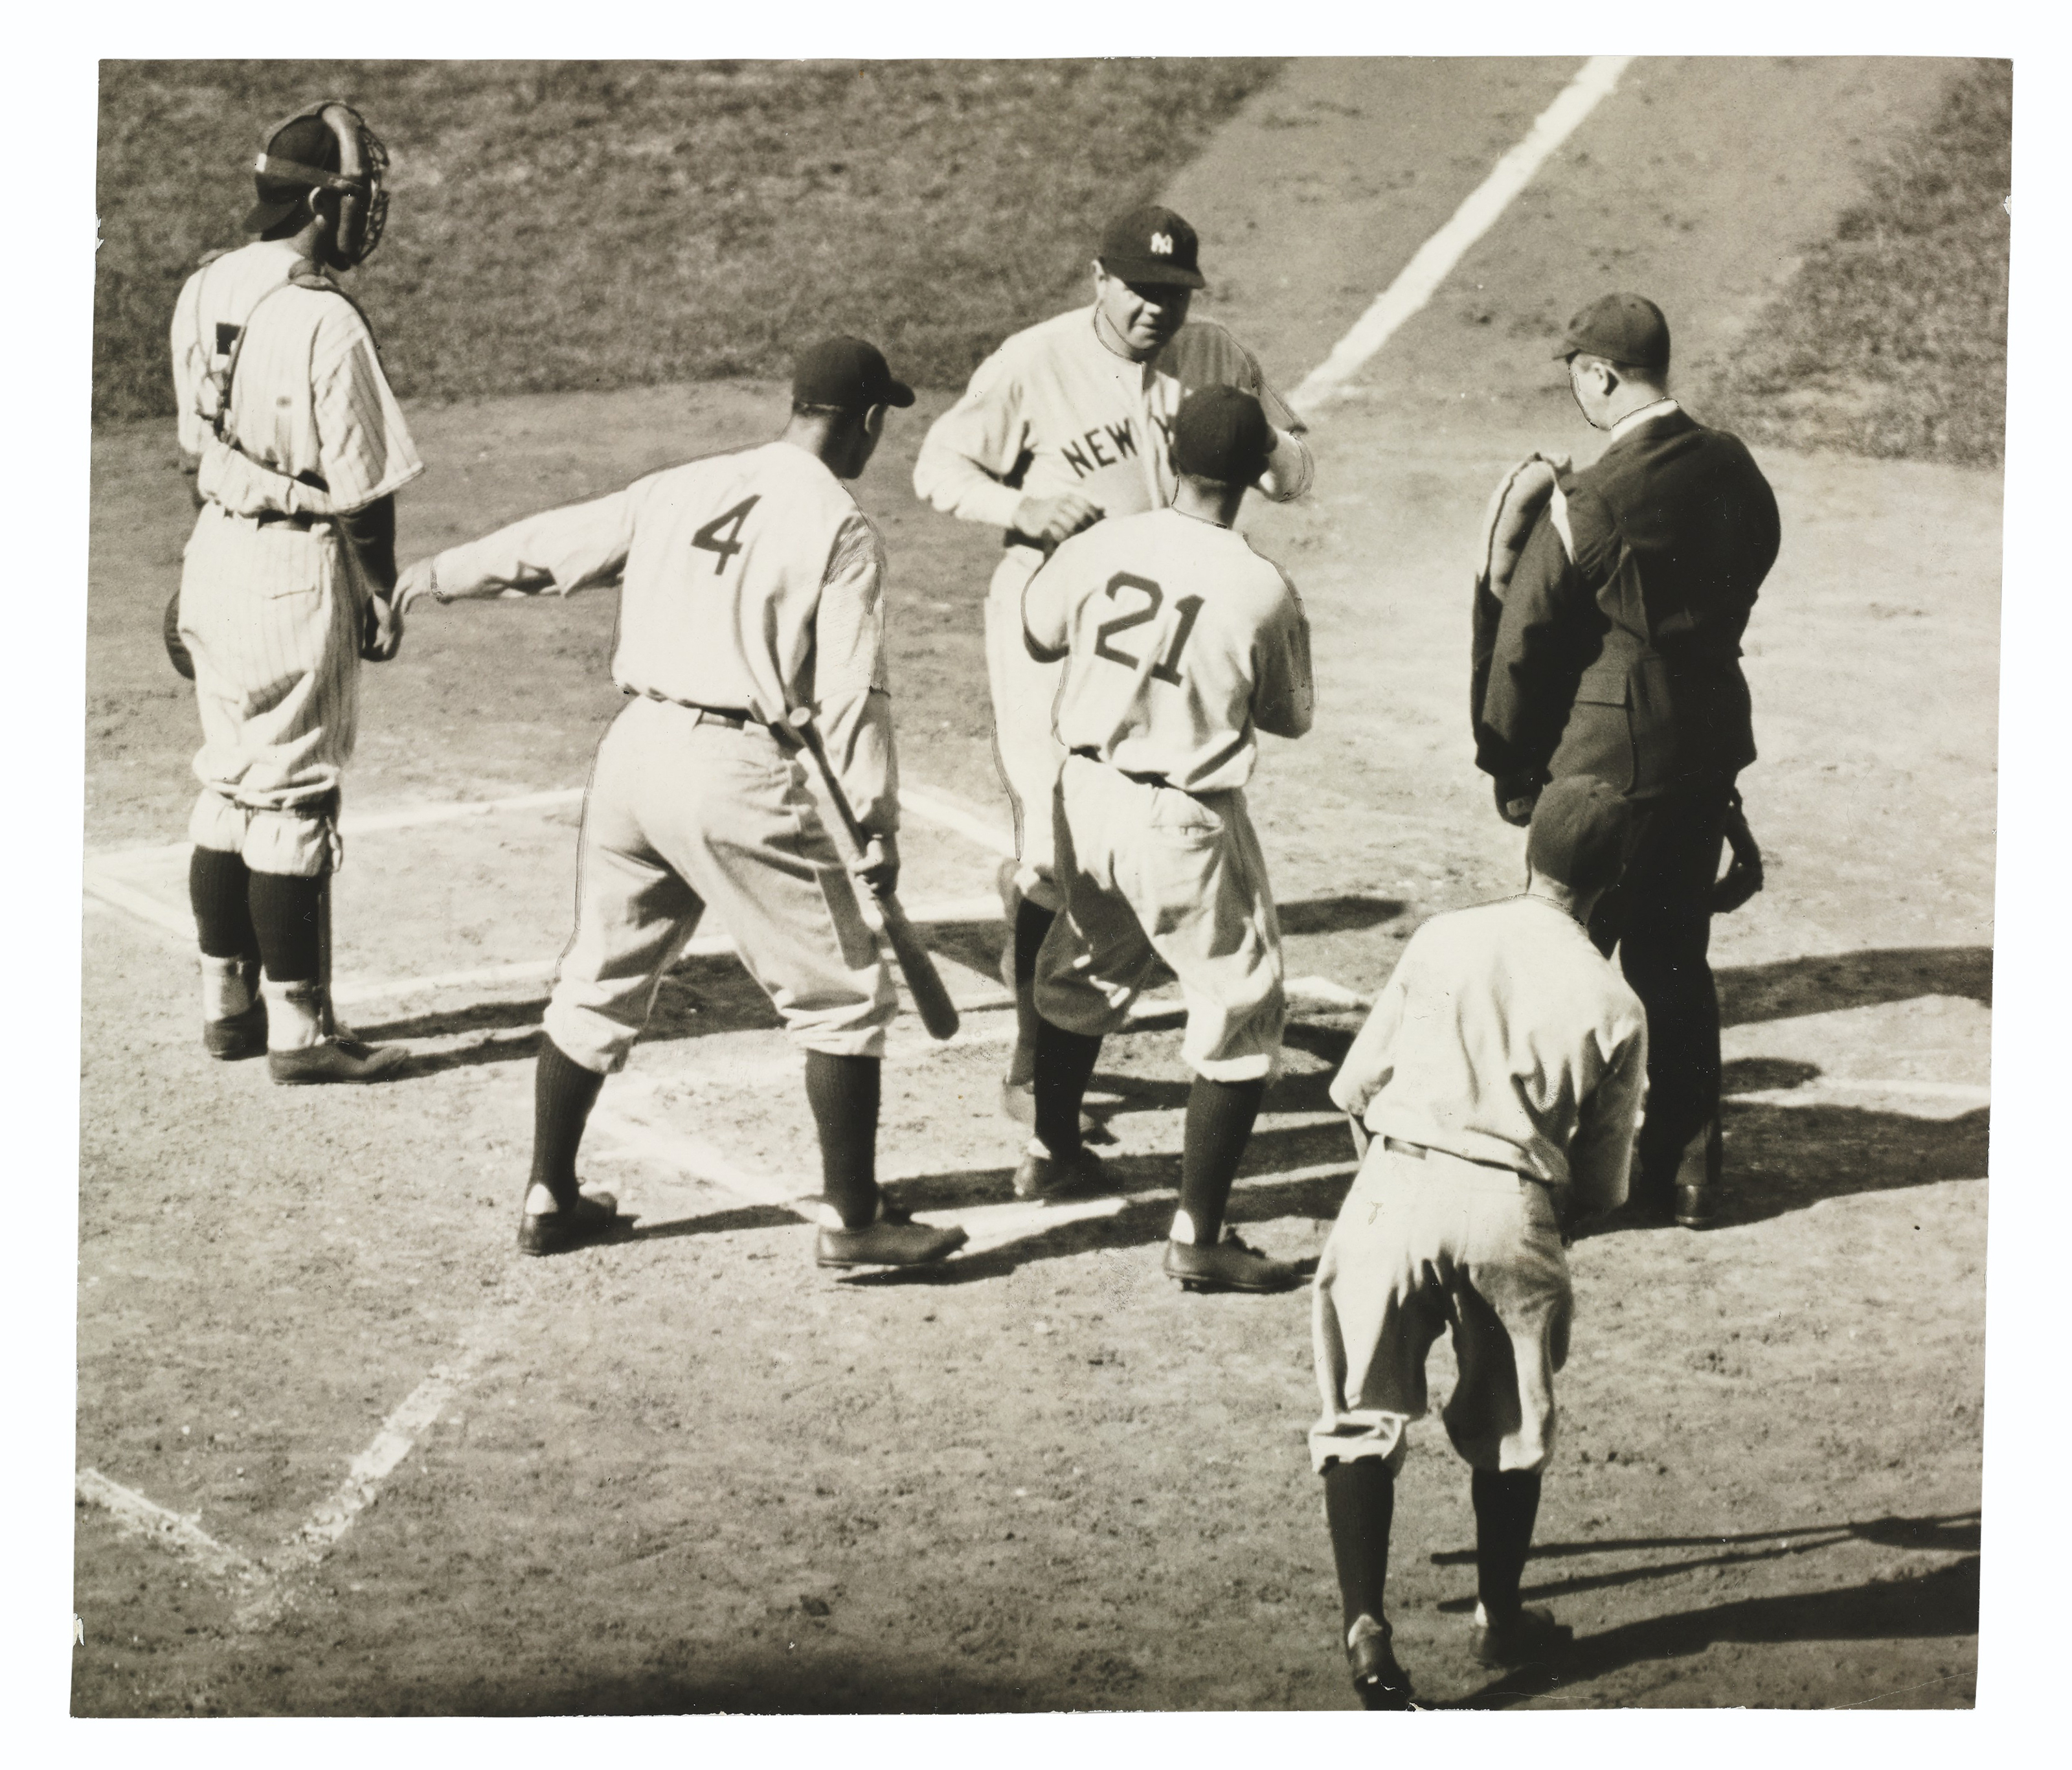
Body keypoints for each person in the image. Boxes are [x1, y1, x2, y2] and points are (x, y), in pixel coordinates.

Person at [393, 337, 968, 1270]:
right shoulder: (842, 528)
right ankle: (856, 1221)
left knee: (600, 975)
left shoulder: (683, 486)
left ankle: (551, 1192)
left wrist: (433, 575)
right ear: (867, 422)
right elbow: (857, 695)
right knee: (842, 995)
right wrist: (874, 820)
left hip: (632, 759)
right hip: (736, 773)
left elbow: (545, 553)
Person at [913, 205, 1312, 1133]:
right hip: (1050, 620)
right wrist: (1017, 508)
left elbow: (1298, 467)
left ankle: (1058, 1029)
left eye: (1174, 296)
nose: (1157, 313)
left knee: (1131, 817)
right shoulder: (1034, 361)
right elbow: (939, 466)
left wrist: (1271, 452)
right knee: (1054, 851)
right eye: (1141, 291)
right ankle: (1028, 1061)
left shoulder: (1220, 355)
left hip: (1165, 625)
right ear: (1101, 277)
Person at [1311, 776, 1648, 1708]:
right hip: (1512, 1203)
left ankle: (1367, 1628)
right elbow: (1607, 1187)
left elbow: (1352, 1090)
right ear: (1613, 881)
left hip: (1396, 1179)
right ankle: (1501, 1617)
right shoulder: (1615, 1002)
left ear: (1526, 849)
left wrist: (1392, 1188)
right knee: (1509, 1428)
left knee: (1360, 1414)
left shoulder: (1443, 936)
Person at [1472, 293, 1779, 1227]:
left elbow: (1523, 639)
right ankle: (1689, 1173)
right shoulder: (1733, 463)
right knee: (1675, 960)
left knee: (1567, 960)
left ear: (1600, 375)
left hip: (1606, 760)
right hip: (1706, 745)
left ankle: (1550, 1172)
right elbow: (1754, 558)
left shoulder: (1589, 496)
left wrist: (1512, 765)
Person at [1015, 385, 1314, 1294]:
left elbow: (1036, 634)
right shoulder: (1261, 586)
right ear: (1259, 469)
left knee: (1085, 965)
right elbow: (1288, 716)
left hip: (1081, 795)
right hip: (1176, 817)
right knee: (1243, 1003)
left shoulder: (1101, 542)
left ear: (1170, 453)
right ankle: (1200, 1232)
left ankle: (1052, 1149)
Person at [170, 99, 420, 1084]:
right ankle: (304, 1032)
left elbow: (196, 446)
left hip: (215, 554)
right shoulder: (324, 318)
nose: (368, 216)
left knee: (229, 785)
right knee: (295, 798)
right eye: (358, 198)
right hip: (292, 571)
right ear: (323, 201)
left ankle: (225, 1006)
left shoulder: (202, 288)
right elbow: (361, 491)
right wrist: (380, 589)